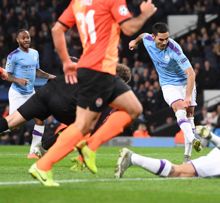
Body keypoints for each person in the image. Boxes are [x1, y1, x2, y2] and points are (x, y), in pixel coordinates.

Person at [28, 0, 156, 186]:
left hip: (97, 69)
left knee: (134, 108)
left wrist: (66, 61)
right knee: (82, 126)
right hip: (99, 70)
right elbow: (129, 28)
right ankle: (42, 165)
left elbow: (57, 30)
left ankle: (90, 145)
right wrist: (145, 13)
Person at [0, 63, 132, 171]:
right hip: (65, 105)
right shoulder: (110, 89)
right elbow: (98, 126)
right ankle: (44, 147)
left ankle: (44, 146)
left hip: (49, 89)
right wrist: (83, 157)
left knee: (11, 121)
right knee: (85, 126)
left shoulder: (94, 67)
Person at [129, 22, 201, 164]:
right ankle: (193, 139)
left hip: (186, 82)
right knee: (179, 109)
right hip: (168, 84)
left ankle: (187, 156)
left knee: (190, 115)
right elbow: (142, 36)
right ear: (153, 37)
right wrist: (134, 42)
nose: (164, 42)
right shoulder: (147, 40)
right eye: (161, 39)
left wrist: (187, 96)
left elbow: (191, 73)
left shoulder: (174, 49)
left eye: (167, 38)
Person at [5, 29, 56, 158]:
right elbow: (7, 76)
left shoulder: (35, 53)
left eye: (28, 38)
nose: (26, 40)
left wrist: (50, 76)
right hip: (17, 93)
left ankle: (33, 152)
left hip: (30, 92)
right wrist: (18, 80)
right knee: (13, 126)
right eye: (23, 38)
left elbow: (36, 71)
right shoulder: (13, 56)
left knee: (40, 120)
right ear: (17, 40)